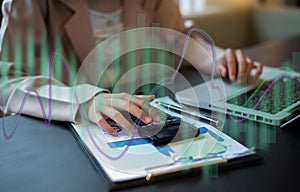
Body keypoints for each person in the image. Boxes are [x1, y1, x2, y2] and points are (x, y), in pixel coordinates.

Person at [0, 0, 262, 136]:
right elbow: (6, 81)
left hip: (143, 116)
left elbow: (177, 36)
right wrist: (86, 101)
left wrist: (217, 58)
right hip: (68, 131)